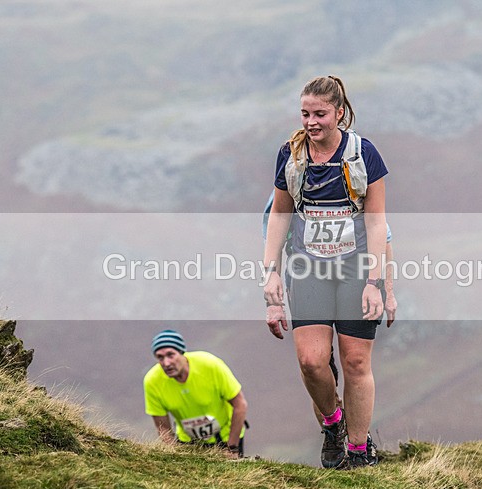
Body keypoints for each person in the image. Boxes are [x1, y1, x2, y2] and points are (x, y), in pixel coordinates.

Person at [263, 75, 388, 469]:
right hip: (307, 268)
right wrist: (270, 273)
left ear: (339, 112)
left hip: (355, 268)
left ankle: (356, 451)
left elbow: (377, 222)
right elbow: (279, 215)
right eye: (305, 114)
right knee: (312, 361)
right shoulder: (292, 155)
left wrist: (376, 282)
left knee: (354, 363)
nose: (311, 122)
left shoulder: (363, 154)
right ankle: (333, 422)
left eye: (319, 114)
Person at [262, 191, 398, 429]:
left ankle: (358, 446)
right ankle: (333, 427)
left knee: (355, 361)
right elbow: (273, 245)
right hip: (308, 278)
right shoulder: (286, 190)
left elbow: (383, 239)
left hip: (356, 275)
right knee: (315, 363)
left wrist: (389, 292)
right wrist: (273, 302)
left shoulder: (355, 182)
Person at [143, 329, 248, 458]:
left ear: (182, 353)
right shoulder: (152, 381)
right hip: (188, 442)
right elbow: (163, 427)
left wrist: (232, 448)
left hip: (226, 438)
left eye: (171, 355)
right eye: (160, 357)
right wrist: (175, 455)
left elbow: (240, 405)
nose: (166, 363)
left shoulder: (210, 365)